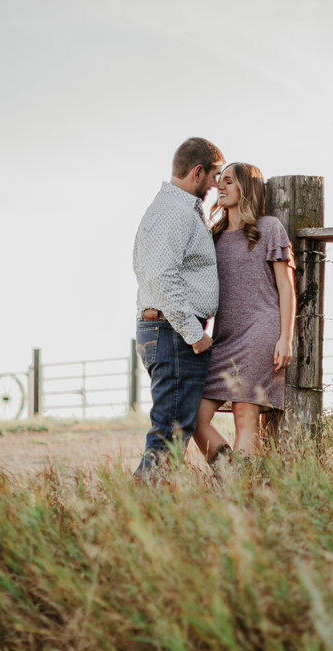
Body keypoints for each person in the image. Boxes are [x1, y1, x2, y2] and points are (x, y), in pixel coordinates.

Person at [131, 137, 224, 478]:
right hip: (174, 332)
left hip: (169, 329)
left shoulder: (176, 211)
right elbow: (161, 276)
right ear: (198, 172)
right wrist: (194, 333)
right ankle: (140, 514)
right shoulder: (174, 212)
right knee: (170, 432)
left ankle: (149, 511)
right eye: (215, 177)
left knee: (175, 429)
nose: (217, 186)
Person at [193, 162, 296, 465]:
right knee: (193, 416)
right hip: (223, 338)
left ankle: (241, 490)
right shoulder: (213, 235)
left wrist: (285, 338)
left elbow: (286, 288)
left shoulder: (269, 228)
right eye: (220, 181)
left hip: (261, 332)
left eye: (229, 182)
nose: (220, 187)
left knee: (244, 414)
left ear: (246, 188)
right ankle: (231, 473)